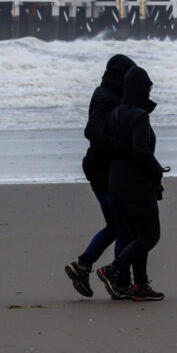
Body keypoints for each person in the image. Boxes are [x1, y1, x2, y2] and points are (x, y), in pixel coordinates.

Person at [64, 54, 137, 299]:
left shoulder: (109, 93)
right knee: (122, 226)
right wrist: (123, 147)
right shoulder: (106, 97)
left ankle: (84, 266)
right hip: (102, 172)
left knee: (117, 225)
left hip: (103, 170)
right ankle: (117, 279)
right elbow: (92, 131)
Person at [96, 65, 167, 302]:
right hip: (136, 184)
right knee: (151, 235)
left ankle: (140, 285)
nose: (149, 94)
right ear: (139, 89)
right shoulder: (139, 116)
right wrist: (157, 172)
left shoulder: (114, 113)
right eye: (147, 89)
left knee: (138, 235)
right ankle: (113, 269)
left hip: (115, 182)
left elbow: (107, 144)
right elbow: (141, 152)